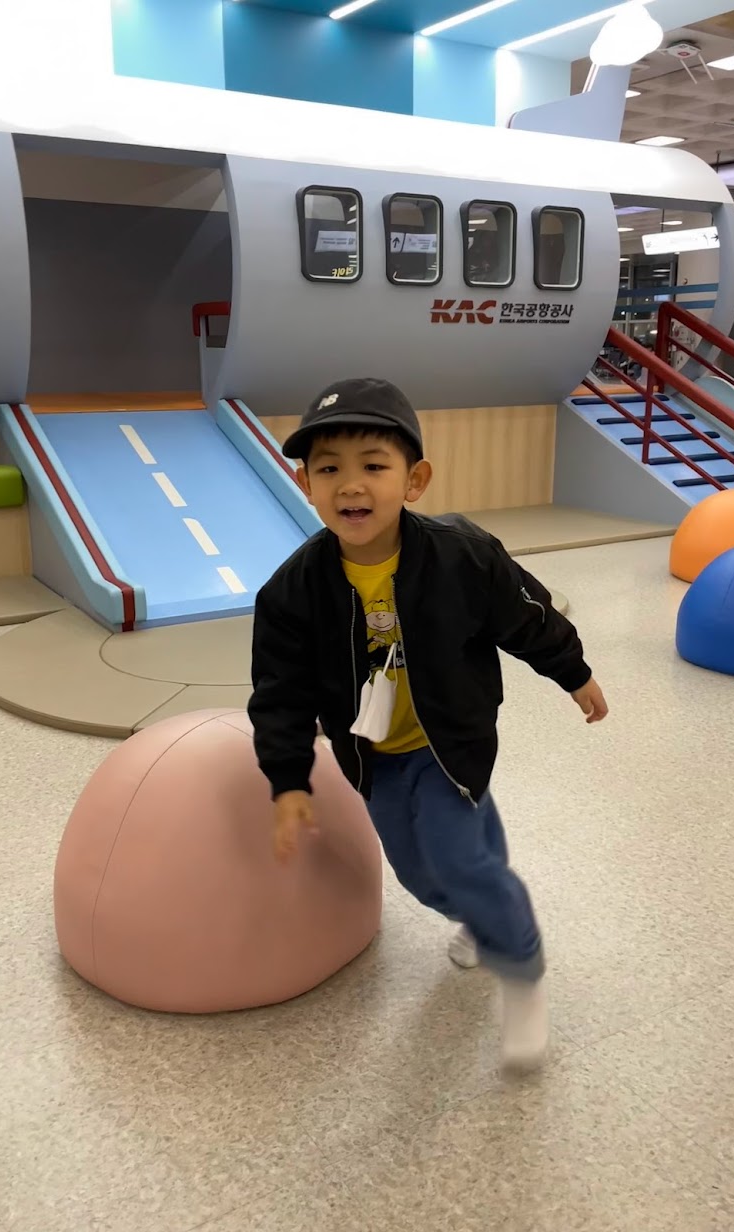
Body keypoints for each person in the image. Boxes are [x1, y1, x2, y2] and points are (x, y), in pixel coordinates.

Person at [248, 377, 608, 1070]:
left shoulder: (460, 554)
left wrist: (573, 672)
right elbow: (280, 692)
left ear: (414, 480)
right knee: (418, 874)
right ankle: (477, 908)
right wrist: (288, 779)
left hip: (450, 741)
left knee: (458, 855)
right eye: (329, 469)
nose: (352, 485)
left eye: (373, 465)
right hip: (374, 754)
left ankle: (520, 966)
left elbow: (526, 616)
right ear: (306, 484)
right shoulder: (294, 590)